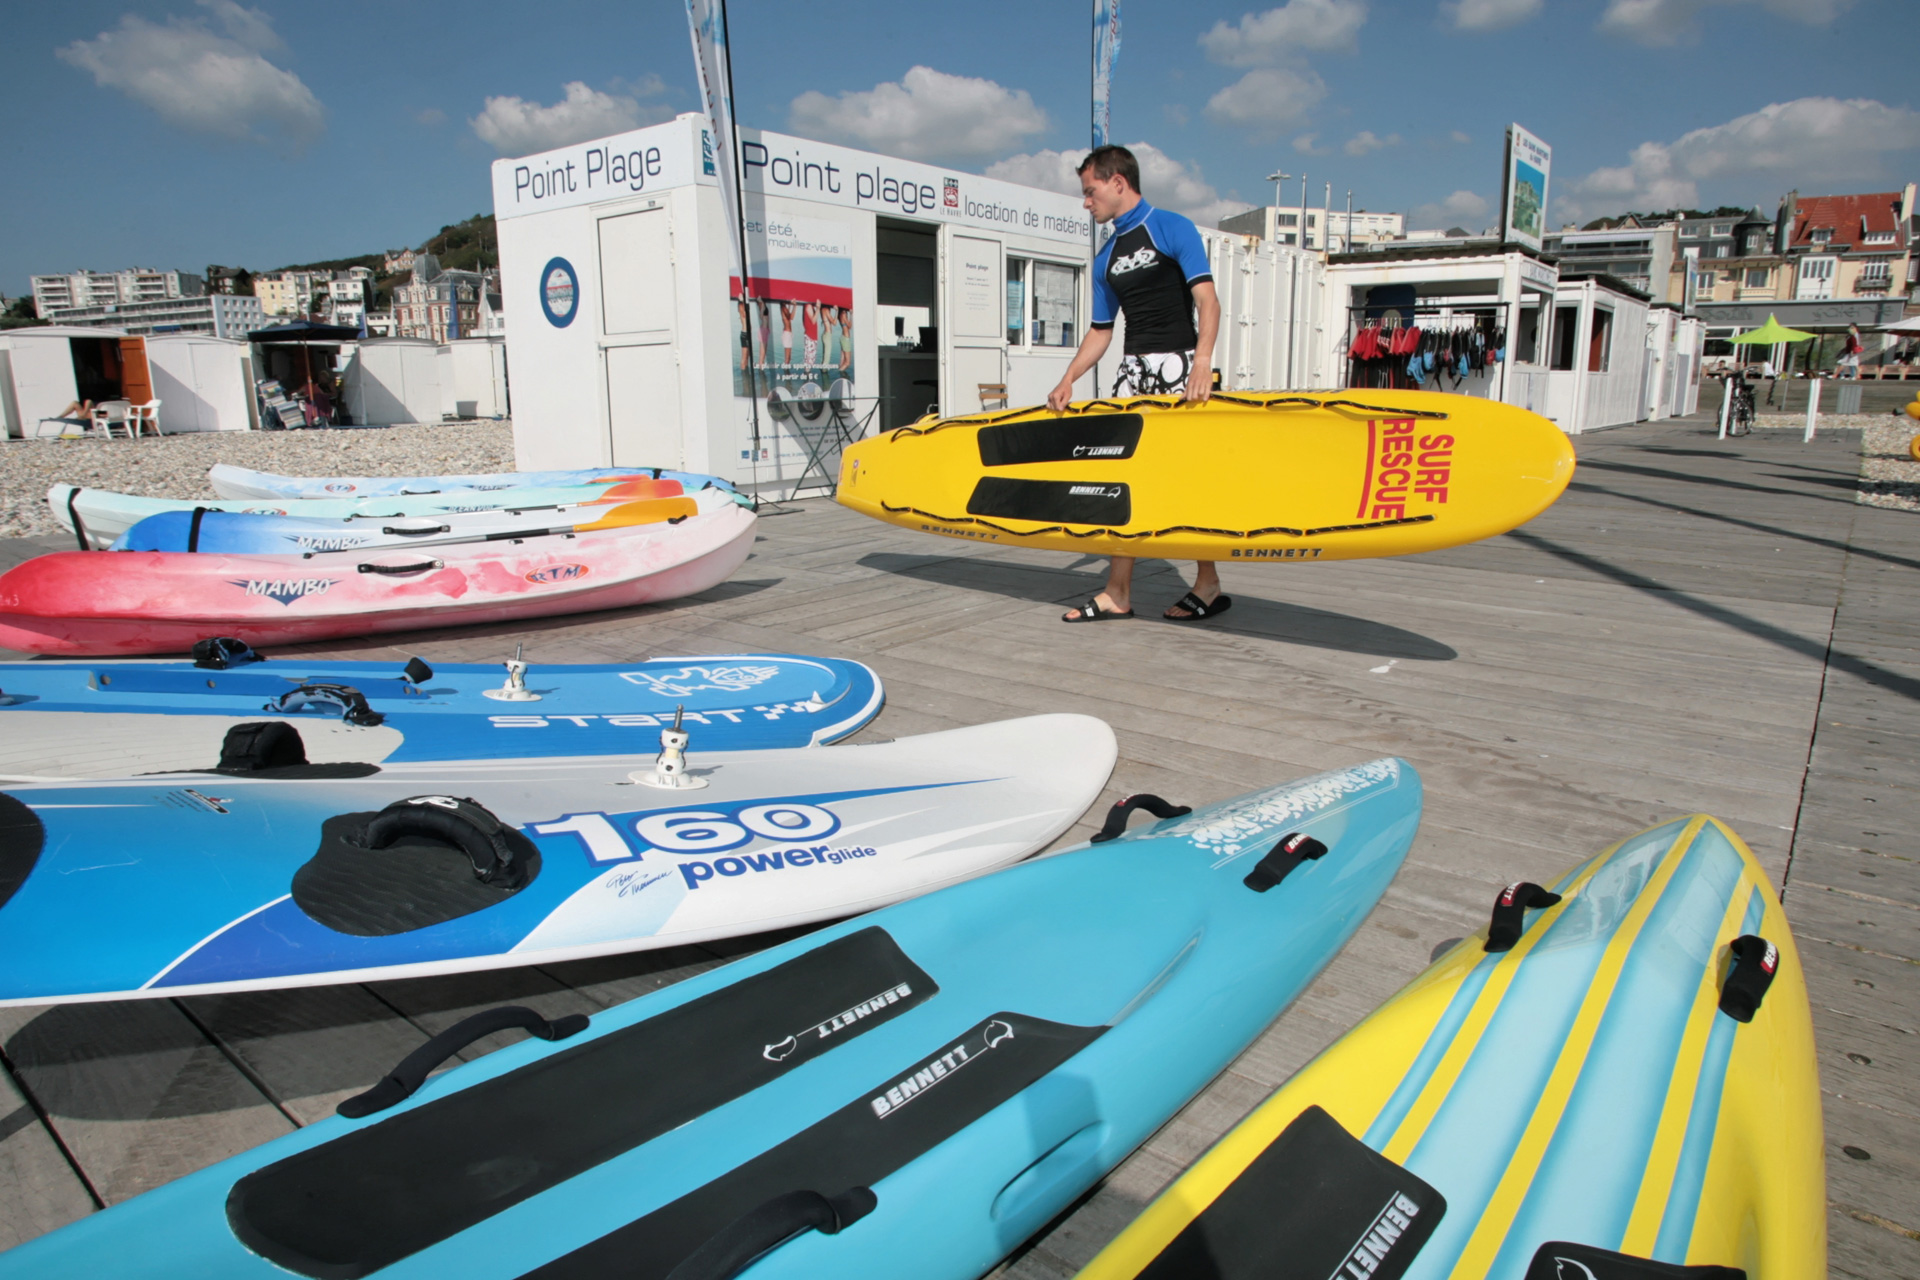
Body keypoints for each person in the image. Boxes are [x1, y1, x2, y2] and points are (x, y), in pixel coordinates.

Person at [1046, 145, 1222, 623]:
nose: (1086, 203)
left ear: (1118, 182)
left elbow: (1207, 301)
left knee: (1184, 478)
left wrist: (1202, 361)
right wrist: (1068, 378)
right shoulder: (1105, 258)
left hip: (1181, 366)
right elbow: (1102, 331)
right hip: (1133, 374)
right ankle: (1118, 592)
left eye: (1090, 191)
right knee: (1123, 479)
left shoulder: (1171, 227)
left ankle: (1207, 583)